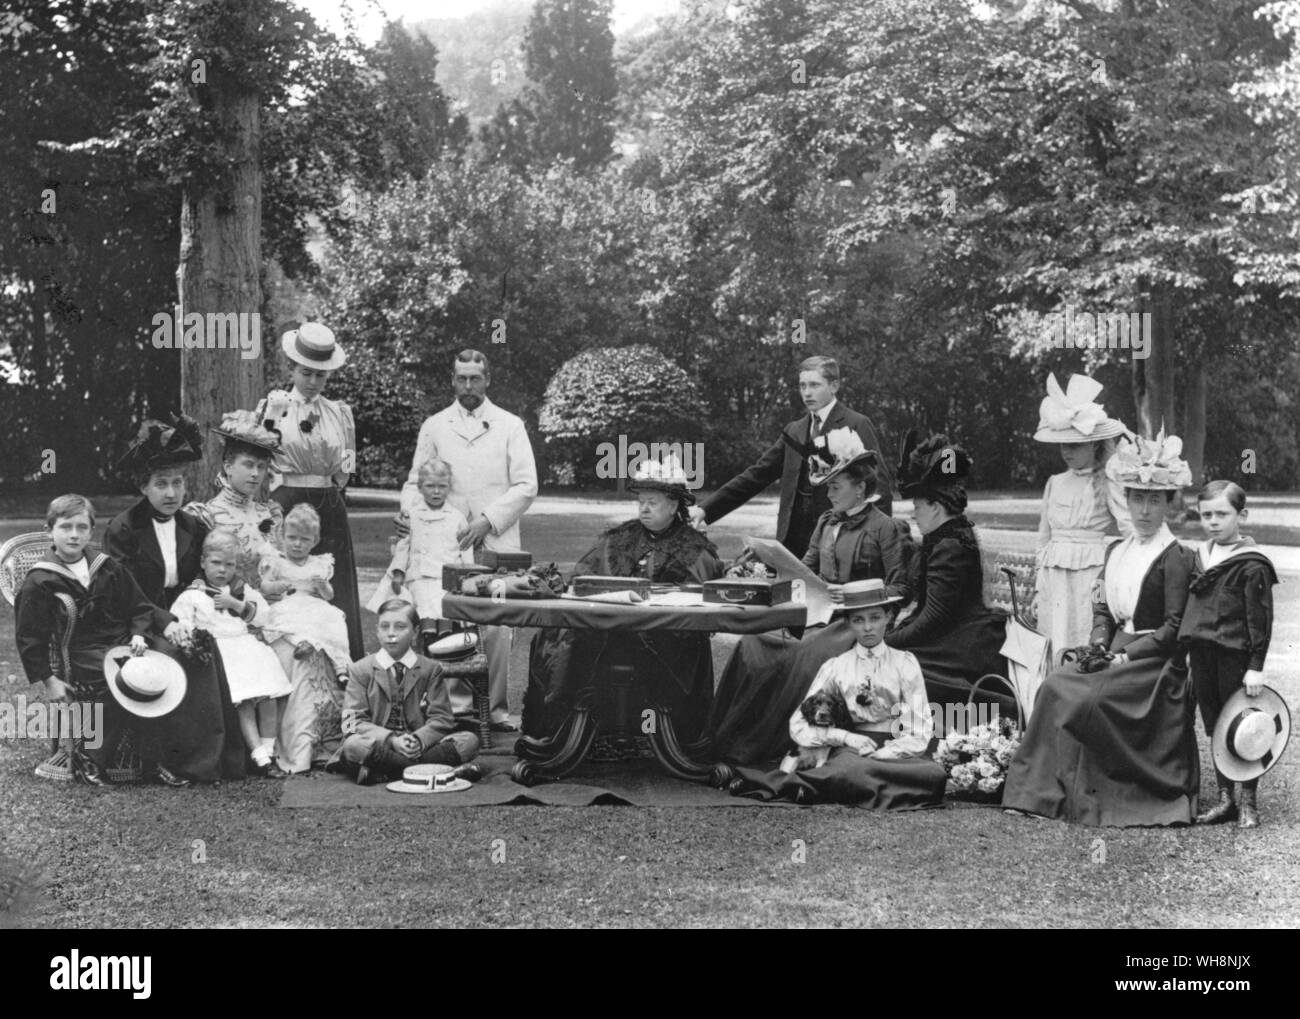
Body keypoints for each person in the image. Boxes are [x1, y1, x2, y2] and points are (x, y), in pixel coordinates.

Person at [1002, 431, 1198, 827]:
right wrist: (1097, 646)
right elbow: (1103, 611)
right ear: (1126, 500)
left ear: (1168, 505)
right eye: (1137, 499)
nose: (1144, 511)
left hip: (1154, 664)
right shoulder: (1116, 551)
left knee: (1080, 696)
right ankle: (1036, 793)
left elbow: (1174, 629)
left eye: (1154, 501)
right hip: (1114, 651)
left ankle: (1076, 796)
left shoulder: (1177, 556)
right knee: (1056, 683)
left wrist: (1123, 655)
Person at [706, 431, 912, 765]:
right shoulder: (824, 522)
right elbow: (804, 571)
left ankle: (767, 749)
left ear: (860, 487)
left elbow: (899, 588)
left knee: (803, 656)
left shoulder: (882, 527)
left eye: (836, 486)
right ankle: (722, 740)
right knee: (753, 644)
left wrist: (851, 595)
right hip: (813, 615)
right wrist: (768, 564)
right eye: (827, 487)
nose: (829, 494)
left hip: (853, 624)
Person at [522, 454, 723, 744]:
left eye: (652, 502)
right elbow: (582, 577)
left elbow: (699, 598)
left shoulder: (694, 548)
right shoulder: (621, 538)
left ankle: (635, 730)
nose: (644, 508)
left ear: (674, 505)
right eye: (641, 501)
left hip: (664, 638)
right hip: (608, 630)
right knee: (555, 635)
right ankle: (559, 731)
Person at [399, 348, 538, 732]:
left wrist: (488, 520)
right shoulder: (436, 425)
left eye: (475, 378)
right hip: (448, 541)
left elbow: (528, 484)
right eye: (461, 378)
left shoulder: (510, 425)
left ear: (488, 380)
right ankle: (456, 709)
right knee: (452, 618)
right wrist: (412, 516)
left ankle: (495, 711)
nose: (468, 386)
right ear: (452, 380)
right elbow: (415, 482)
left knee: (496, 623)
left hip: (497, 538)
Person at [104, 412, 246, 783]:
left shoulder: (191, 525)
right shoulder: (123, 528)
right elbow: (125, 594)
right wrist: (169, 624)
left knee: (207, 648)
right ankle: (175, 761)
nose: (171, 493)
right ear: (143, 487)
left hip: (184, 612)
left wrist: (199, 605)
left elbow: (202, 574)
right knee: (177, 654)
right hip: (137, 621)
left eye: (178, 483)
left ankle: (219, 759)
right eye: (161, 484)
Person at [15, 495, 189, 786]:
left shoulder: (106, 566)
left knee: (164, 668)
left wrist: (138, 634)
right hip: (80, 650)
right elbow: (29, 636)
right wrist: (49, 680)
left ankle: (153, 760)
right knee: (121, 679)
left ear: (91, 531)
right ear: (50, 531)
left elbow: (139, 606)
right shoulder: (40, 580)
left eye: (82, 527)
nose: (74, 534)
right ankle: (91, 760)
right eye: (66, 526)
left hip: (123, 642)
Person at [725, 580, 946, 806]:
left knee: (933, 775)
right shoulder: (837, 666)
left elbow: (919, 728)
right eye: (858, 620)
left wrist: (885, 753)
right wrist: (845, 737)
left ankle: (812, 786)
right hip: (852, 749)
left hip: (896, 749)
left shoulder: (905, 663)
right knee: (851, 768)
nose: (868, 627)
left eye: (875, 618)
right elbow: (798, 726)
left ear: (889, 617)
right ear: (848, 623)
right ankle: (769, 784)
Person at [689, 355, 893, 557]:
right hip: (791, 541)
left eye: (814, 385)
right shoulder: (794, 430)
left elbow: (879, 487)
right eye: (802, 386)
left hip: (840, 539)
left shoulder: (856, 423)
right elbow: (755, 476)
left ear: (834, 386)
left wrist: (874, 544)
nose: (807, 393)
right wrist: (705, 510)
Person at [884, 430, 1009, 722]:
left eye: (917, 507)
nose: (913, 515)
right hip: (951, 632)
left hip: (962, 643)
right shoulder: (945, 536)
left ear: (937, 508)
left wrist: (889, 640)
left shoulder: (950, 546)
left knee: (895, 661)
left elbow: (934, 618)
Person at [256, 322, 363, 659]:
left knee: (333, 586)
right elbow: (259, 453)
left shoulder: (339, 413)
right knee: (287, 580)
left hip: (328, 504)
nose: (313, 382)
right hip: (286, 501)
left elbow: (348, 462)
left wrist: (332, 486)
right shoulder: (273, 407)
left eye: (321, 375)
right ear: (293, 368)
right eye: (306, 373)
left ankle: (343, 668)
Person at [1179, 481, 1278, 828]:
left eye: (1222, 514)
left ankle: (1248, 800)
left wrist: (1255, 667)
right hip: (1203, 653)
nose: (1214, 522)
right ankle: (1226, 799)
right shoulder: (1201, 556)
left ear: (1242, 515)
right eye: (1206, 515)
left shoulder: (1252, 565)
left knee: (1243, 723)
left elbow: (1260, 620)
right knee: (1216, 724)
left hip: (1235, 656)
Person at [169, 531, 293, 778]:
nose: (223, 570)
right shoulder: (193, 594)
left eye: (229, 564)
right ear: (203, 562)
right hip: (221, 653)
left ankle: (269, 752)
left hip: (247, 648)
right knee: (244, 703)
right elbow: (180, 623)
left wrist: (235, 604)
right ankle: (259, 757)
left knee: (269, 698)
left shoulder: (240, 590)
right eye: (216, 563)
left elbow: (265, 617)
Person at [326, 599, 481, 785]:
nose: (391, 634)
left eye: (400, 627)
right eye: (385, 627)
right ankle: (429, 771)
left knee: (469, 741)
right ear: (377, 631)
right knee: (353, 746)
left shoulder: (430, 669)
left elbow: (442, 719)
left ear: (415, 633)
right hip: (380, 746)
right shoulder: (360, 670)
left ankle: (388, 772)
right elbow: (352, 723)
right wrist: (391, 740)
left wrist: (418, 740)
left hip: (418, 747)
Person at [1032, 373, 1132, 657]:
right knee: (1054, 636)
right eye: (1064, 445)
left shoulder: (1106, 481)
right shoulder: (1055, 482)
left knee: (1083, 631)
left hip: (1090, 573)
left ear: (1094, 445)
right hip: (1055, 576)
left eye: (1075, 445)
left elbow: (1129, 529)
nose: (1067, 452)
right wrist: (1039, 588)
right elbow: (1043, 539)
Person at [185, 410, 284, 589]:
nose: (255, 474)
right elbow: (195, 578)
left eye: (261, 467)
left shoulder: (269, 514)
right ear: (228, 466)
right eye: (248, 464)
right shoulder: (206, 516)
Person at [368, 457, 468, 626]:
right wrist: (398, 573)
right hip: (418, 576)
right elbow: (402, 549)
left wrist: (467, 578)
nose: (436, 491)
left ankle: (444, 638)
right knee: (422, 606)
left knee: (444, 608)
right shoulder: (412, 516)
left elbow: (465, 551)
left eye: (442, 486)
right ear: (420, 488)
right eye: (430, 486)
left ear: (449, 488)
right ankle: (426, 635)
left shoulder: (457, 518)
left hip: (446, 580)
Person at [259, 503, 352, 681]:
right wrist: (275, 586)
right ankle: (302, 643)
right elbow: (265, 585)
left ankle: (341, 666)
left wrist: (323, 586)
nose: (297, 544)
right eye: (292, 538)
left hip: (313, 603)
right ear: (283, 537)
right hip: (287, 602)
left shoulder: (319, 563)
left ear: (314, 541)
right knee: (289, 620)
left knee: (334, 619)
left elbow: (329, 596)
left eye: (304, 539)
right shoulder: (277, 561)